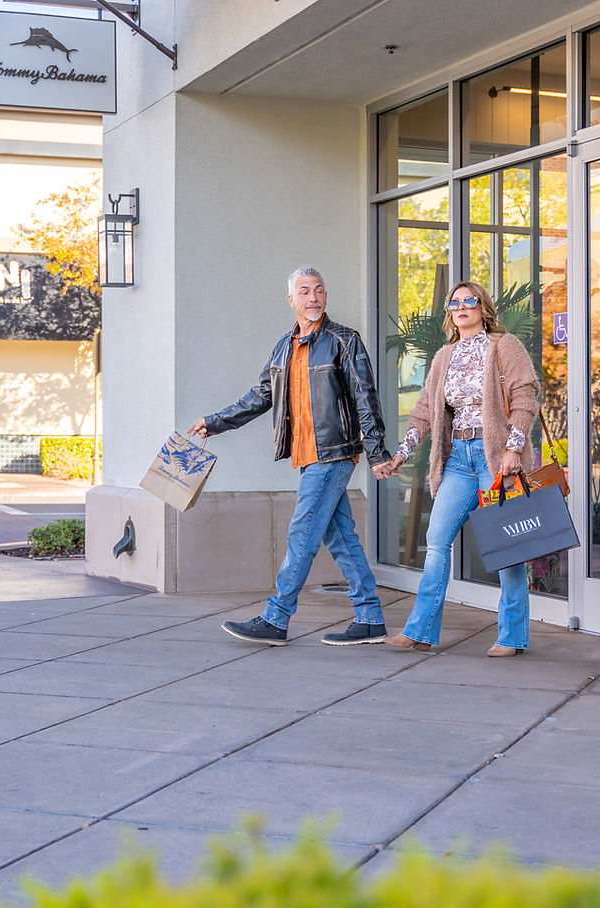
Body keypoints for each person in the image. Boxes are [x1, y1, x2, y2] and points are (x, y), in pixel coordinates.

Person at [187, 267, 394, 646]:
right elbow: (261, 395)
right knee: (340, 538)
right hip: (305, 455)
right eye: (304, 291)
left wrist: (376, 451)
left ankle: (276, 617)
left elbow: (366, 397)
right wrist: (214, 422)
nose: (313, 298)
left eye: (319, 290)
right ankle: (370, 617)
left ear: (325, 296)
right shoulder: (284, 346)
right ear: (291, 300)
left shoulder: (344, 340)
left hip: (333, 454)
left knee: (302, 535)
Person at [380, 280, 540, 656]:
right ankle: (420, 631)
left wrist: (513, 449)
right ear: (450, 313)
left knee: (507, 547)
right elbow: (424, 411)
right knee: (437, 541)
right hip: (458, 459)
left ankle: (512, 637)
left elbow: (525, 396)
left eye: (470, 301)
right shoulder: (444, 357)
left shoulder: (504, 345)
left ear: (483, 307)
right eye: (455, 303)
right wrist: (401, 453)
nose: (462, 307)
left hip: (494, 458)